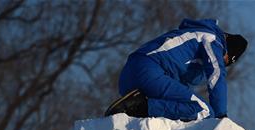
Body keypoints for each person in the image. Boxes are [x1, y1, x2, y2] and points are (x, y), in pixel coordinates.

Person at [104, 18, 247, 121]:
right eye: (225, 59)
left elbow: (182, 83)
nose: (222, 62)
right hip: (148, 70)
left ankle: (136, 106)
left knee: (183, 107)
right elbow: (216, 74)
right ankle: (139, 107)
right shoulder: (211, 39)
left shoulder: (191, 40)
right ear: (226, 48)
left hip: (129, 77)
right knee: (204, 110)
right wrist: (221, 116)